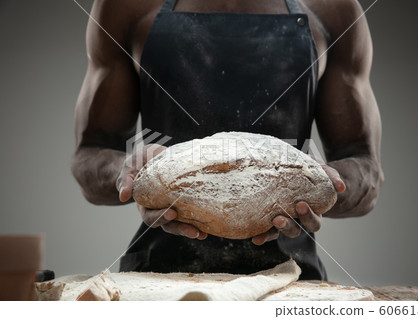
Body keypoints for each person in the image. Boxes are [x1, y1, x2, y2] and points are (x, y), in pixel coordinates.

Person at [71, 0, 384, 280]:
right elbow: (91, 151)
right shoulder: (127, 6)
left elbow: (365, 167)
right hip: (159, 278)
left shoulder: (332, 9)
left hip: (292, 279)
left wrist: (322, 185)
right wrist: (130, 174)